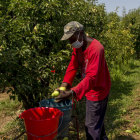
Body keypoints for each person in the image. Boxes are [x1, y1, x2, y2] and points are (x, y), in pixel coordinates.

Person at [55, 21, 111, 140]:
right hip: (90, 88)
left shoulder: (96, 49)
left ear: (80, 33)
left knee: (91, 127)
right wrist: (63, 87)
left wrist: (71, 92)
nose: (71, 43)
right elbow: (73, 66)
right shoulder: (79, 46)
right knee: (97, 124)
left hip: (98, 90)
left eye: (72, 39)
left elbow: (91, 78)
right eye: (69, 40)